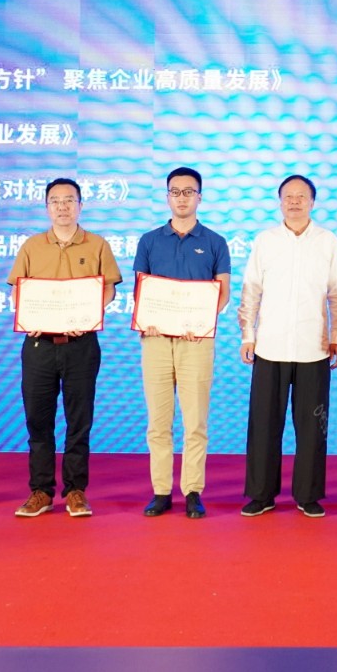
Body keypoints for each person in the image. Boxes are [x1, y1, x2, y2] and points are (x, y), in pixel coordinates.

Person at [6, 178, 122, 518]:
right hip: (39, 344)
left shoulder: (97, 244)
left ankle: (75, 490)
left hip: (81, 344)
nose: (62, 207)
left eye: (69, 200)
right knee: (38, 420)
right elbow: (18, 291)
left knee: (79, 420)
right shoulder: (32, 246)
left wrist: (89, 315)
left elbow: (109, 289)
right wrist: (27, 316)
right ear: (47, 207)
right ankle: (41, 491)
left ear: (80, 205)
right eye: (55, 201)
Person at [237, 174, 337, 518]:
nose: (295, 202)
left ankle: (308, 494)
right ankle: (261, 494)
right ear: (280, 201)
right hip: (269, 345)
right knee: (264, 425)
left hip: (314, 347)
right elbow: (251, 289)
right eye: (288, 196)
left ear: (312, 202)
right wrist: (248, 335)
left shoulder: (328, 241)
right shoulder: (265, 240)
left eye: (301, 196)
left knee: (312, 427)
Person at [134, 167, 232, 518]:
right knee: (158, 422)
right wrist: (149, 318)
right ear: (167, 197)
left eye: (189, 192)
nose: (182, 198)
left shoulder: (215, 242)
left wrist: (198, 321)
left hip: (196, 341)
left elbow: (223, 293)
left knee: (195, 421)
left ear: (199, 197)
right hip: (157, 340)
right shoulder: (149, 240)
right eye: (175, 192)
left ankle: (192, 490)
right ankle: (161, 491)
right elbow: (141, 288)